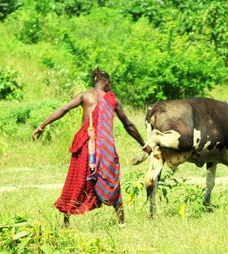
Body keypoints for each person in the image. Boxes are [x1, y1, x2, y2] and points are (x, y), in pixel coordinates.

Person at [32, 68, 152, 227]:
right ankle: (122, 223)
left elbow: (64, 108)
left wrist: (42, 126)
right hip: (105, 150)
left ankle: (66, 223)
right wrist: (144, 144)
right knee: (112, 182)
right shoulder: (113, 100)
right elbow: (128, 125)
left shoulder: (85, 95)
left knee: (75, 182)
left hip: (84, 147)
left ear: (95, 81)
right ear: (107, 82)